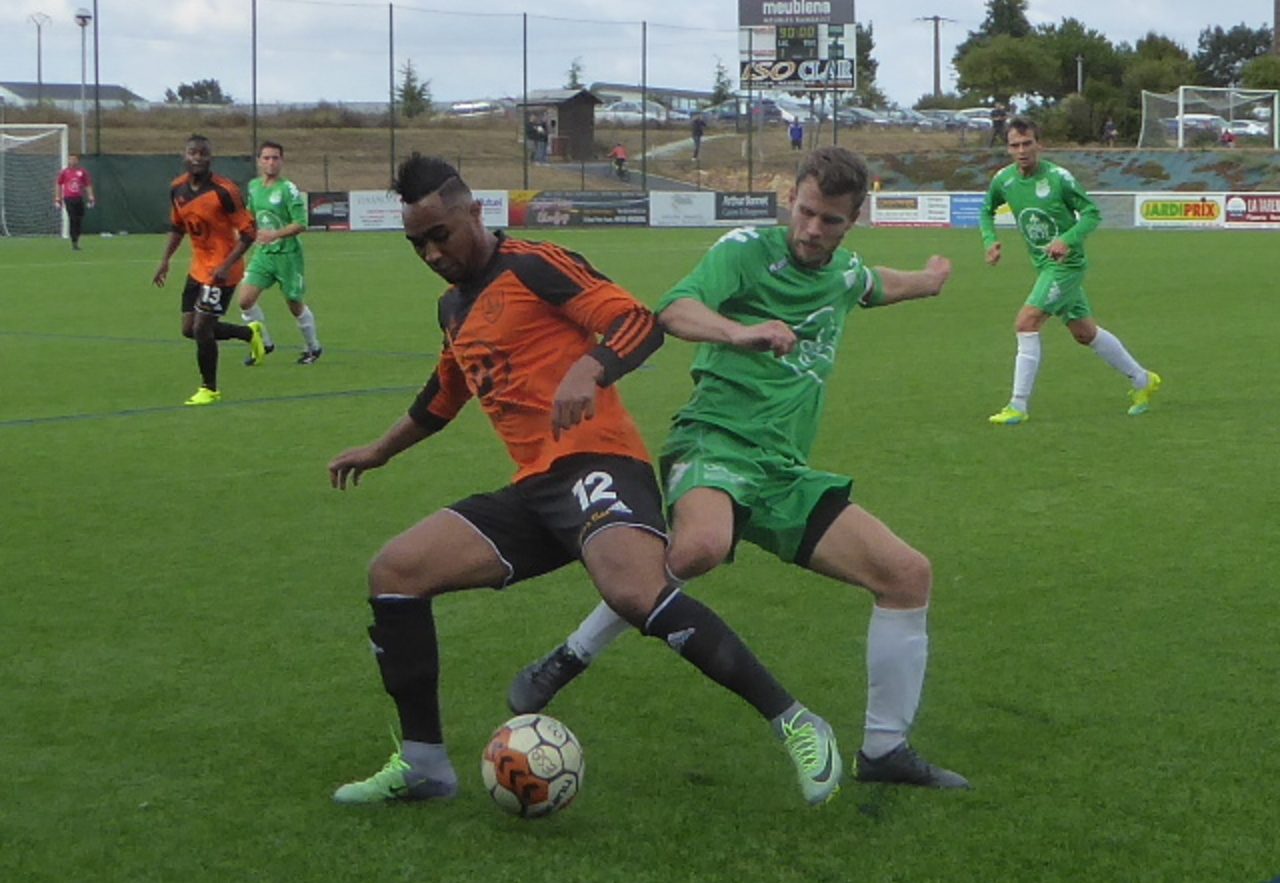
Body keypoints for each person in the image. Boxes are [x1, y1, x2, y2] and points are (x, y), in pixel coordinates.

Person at [327, 153, 843, 808]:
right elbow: (443, 395)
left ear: (475, 213)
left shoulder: (534, 264)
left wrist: (589, 369)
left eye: (439, 235)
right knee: (395, 572)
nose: (431, 253)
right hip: (534, 490)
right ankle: (424, 764)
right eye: (417, 243)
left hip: (599, 461)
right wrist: (379, 450)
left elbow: (638, 322)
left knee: (635, 591)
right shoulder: (452, 308)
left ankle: (796, 721)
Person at [509, 146, 970, 790]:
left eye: (830, 220)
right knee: (699, 545)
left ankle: (885, 750)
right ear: (791, 200)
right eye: (805, 212)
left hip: (782, 471)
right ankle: (570, 656)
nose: (812, 230)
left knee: (907, 574)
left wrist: (931, 278)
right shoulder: (746, 250)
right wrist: (738, 332)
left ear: (853, 219)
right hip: (715, 442)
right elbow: (674, 309)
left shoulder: (843, 274)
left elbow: (876, 284)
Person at [981, 118, 1161, 425]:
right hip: (1043, 265)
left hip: (1067, 265)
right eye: (1015, 145)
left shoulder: (1059, 178)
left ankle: (1017, 406)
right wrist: (990, 240)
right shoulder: (1004, 180)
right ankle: (1143, 380)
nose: (1021, 150)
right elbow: (986, 210)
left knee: (1026, 322)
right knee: (1084, 333)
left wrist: (1067, 239)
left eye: (1027, 144)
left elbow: (1091, 213)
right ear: (1008, 148)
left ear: (1039, 144)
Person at [152, 134, 266, 406]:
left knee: (202, 329)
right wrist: (165, 260)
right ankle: (248, 333)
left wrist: (226, 266)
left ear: (210, 157)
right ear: (185, 156)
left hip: (223, 270)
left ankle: (209, 388)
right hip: (199, 268)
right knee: (188, 329)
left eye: (203, 153)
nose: (197, 158)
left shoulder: (225, 191)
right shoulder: (177, 188)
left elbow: (249, 233)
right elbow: (178, 227)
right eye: (193, 152)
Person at [236, 141, 323, 365]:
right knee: (245, 301)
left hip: (288, 256)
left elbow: (301, 223)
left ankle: (313, 347)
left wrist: (275, 234)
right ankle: (264, 343)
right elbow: (250, 216)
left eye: (275, 158)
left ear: (282, 161)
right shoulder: (254, 187)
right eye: (266, 158)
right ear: (259, 161)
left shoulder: (288, 189)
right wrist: (243, 231)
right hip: (263, 255)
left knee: (294, 303)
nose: (271, 162)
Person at [55, 153, 95, 251]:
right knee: (72, 219)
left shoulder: (82, 172)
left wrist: (90, 196)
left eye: (74, 159)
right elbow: (58, 184)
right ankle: (74, 243)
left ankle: (76, 239)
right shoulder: (64, 172)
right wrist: (57, 197)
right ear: (68, 161)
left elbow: (87, 184)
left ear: (77, 161)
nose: (72, 161)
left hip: (79, 198)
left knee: (79, 220)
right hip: (68, 198)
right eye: (70, 159)